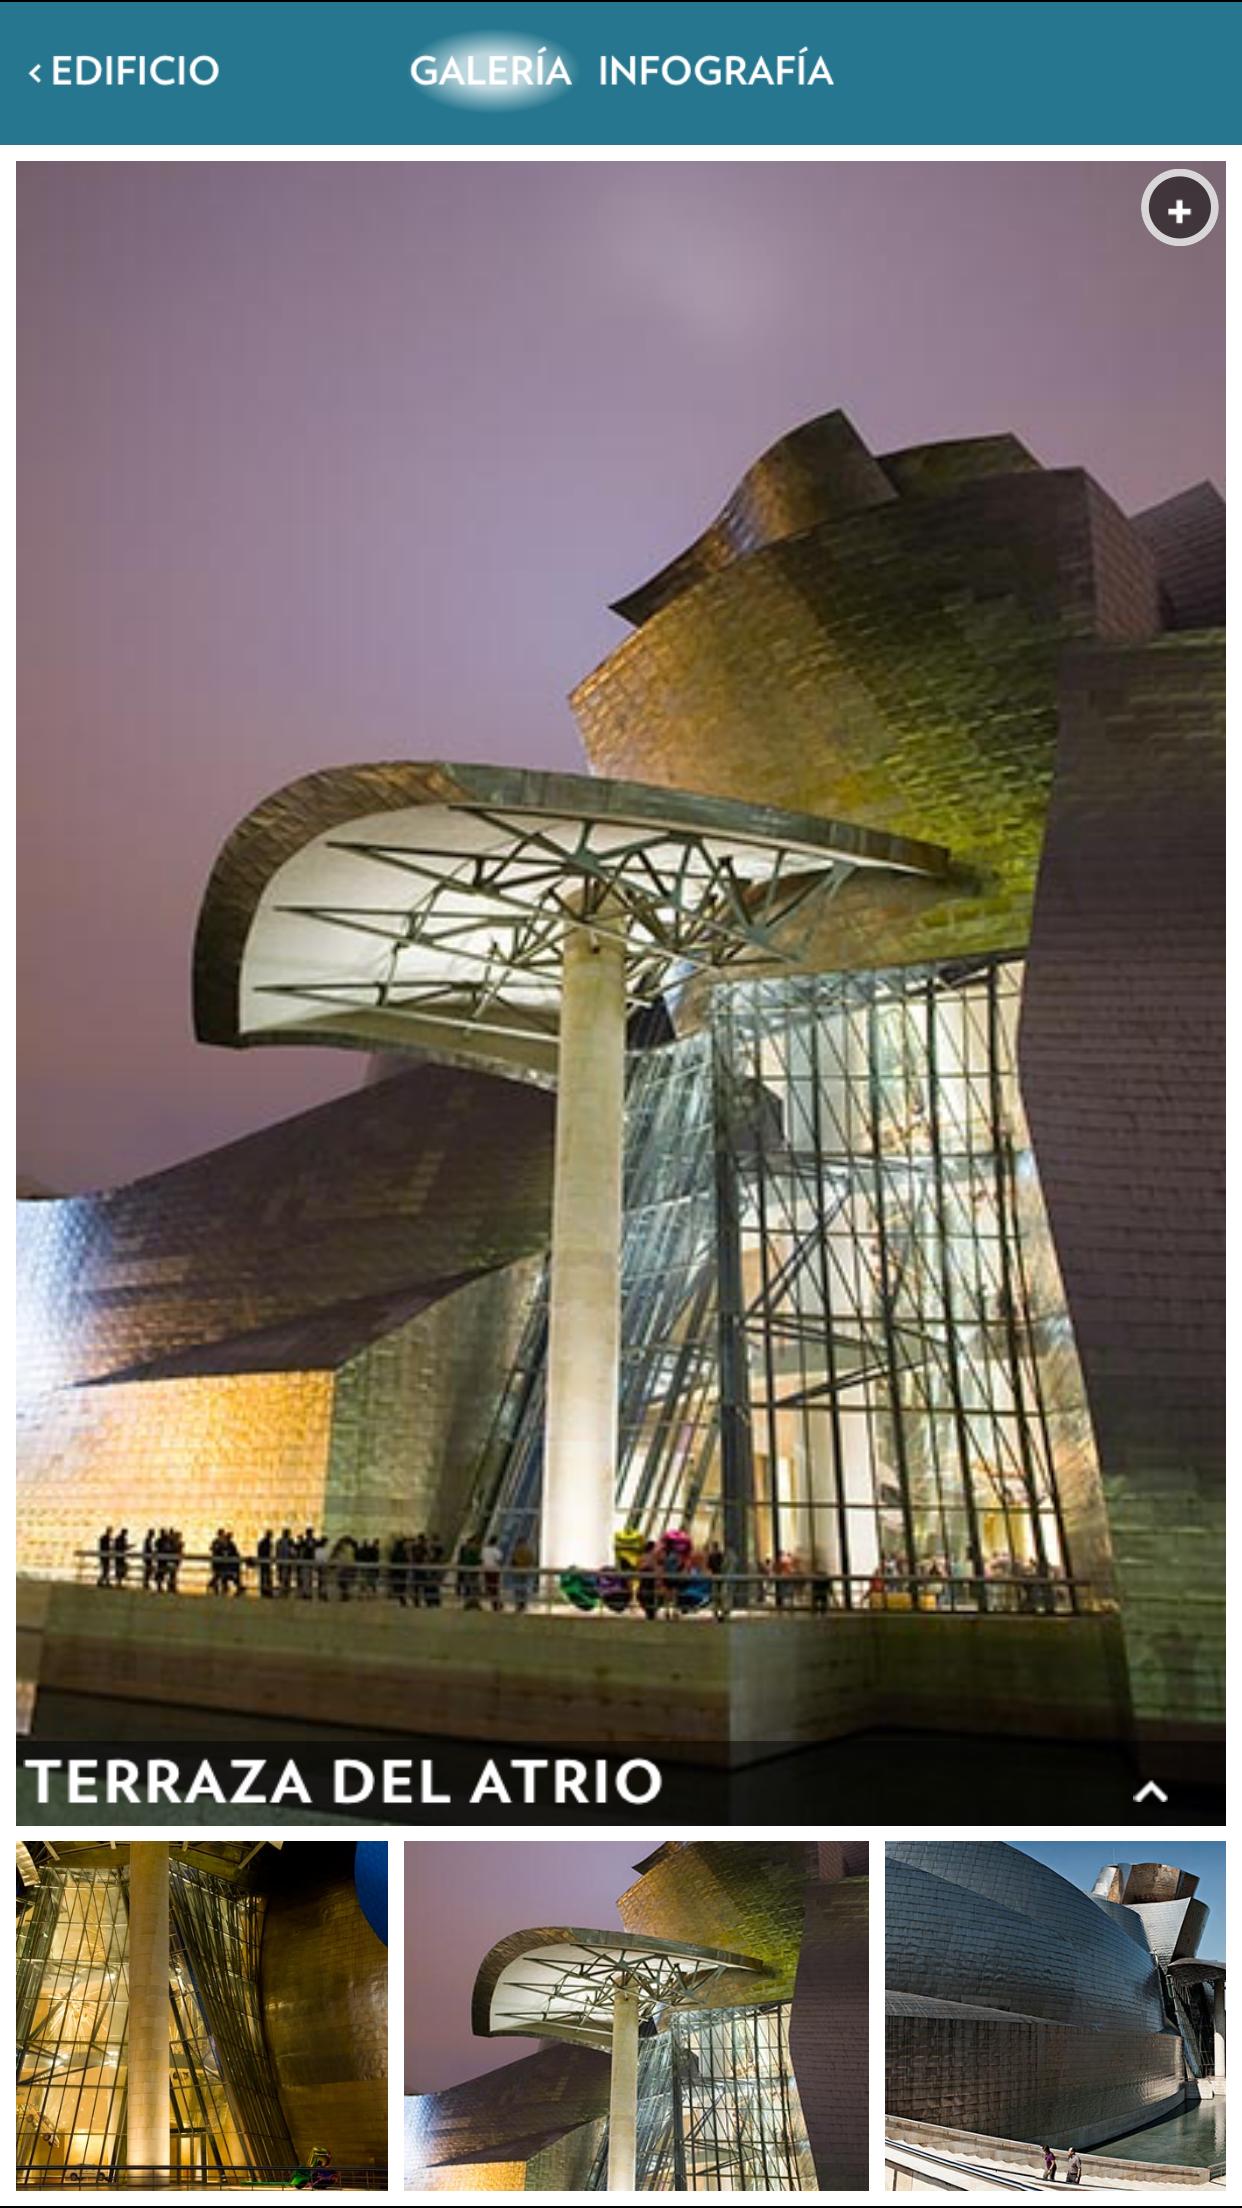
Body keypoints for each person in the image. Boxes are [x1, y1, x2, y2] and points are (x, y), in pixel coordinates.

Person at [508, 1534, 536, 1612]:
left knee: (517, 1588)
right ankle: (523, 1604)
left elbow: (514, 1561)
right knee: (524, 1588)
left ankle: (519, 1604)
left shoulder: (516, 1550)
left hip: (518, 1571)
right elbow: (532, 1560)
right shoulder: (529, 1550)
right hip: (526, 1571)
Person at [481, 1533, 504, 1612]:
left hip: (486, 1570)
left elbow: (482, 1559)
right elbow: (499, 1560)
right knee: (495, 1588)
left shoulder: (484, 1550)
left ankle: (495, 1603)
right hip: (494, 1570)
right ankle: (497, 1604)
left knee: (489, 1587)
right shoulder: (496, 1551)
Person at [257, 1528, 274, 1598]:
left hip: (264, 1562)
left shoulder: (262, 1542)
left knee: (264, 1576)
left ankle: (264, 1589)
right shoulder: (267, 1543)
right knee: (266, 1576)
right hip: (265, 1562)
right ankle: (266, 1589)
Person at [142, 1528, 157, 1592]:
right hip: (148, 1558)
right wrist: (153, 1552)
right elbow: (148, 1549)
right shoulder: (148, 1540)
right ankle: (146, 1583)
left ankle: (146, 1582)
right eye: (153, 1533)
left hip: (148, 1557)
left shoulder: (148, 1540)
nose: (153, 1535)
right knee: (148, 1570)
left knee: (149, 1570)